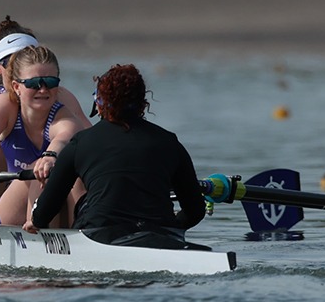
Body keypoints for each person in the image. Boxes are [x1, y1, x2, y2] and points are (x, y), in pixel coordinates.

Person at [26, 63, 209, 250]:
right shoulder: (169, 142)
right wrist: (172, 228)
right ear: (143, 103)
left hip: (99, 236)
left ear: (98, 103)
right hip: (161, 235)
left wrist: (35, 222)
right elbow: (195, 211)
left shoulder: (81, 143)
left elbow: (44, 213)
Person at [0, 43, 90, 223]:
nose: (43, 89)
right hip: (10, 208)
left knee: (57, 171)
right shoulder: (6, 106)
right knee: (38, 170)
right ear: (16, 87)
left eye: (50, 82)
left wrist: (50, 156)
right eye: (34, 84)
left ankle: (79, 234)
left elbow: (61, 139)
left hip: (48, 201)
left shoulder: (65, 118)